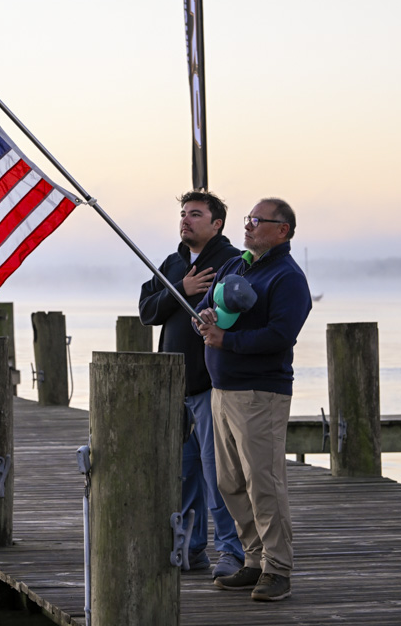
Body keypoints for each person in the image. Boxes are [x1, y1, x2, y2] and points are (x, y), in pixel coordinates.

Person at [193, 197, 312, 602]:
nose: (248, 225)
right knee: (229, 482)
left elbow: (280, 335)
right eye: (248, 219)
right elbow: (203, 307)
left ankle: (278, 570)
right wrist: (204, 319)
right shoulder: (236, 265)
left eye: (257, 220)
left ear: (282, 230)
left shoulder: (288, 277)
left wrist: (228, 340)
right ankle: (254, 559)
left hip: (261, 393)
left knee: (264, 483)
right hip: (221, 390)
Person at [139, 190, 245, 578]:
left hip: (212, 387)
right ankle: (191, 548)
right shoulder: (173, 263)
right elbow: (146, 311)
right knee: (183, 476)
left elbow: (239, 312)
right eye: (183, 213)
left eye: (196, 214)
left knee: (219, 476)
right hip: (174, 390)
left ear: (217, 223)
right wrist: (180, 290)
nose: (186, 219)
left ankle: (232, 552)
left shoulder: (232, 262)